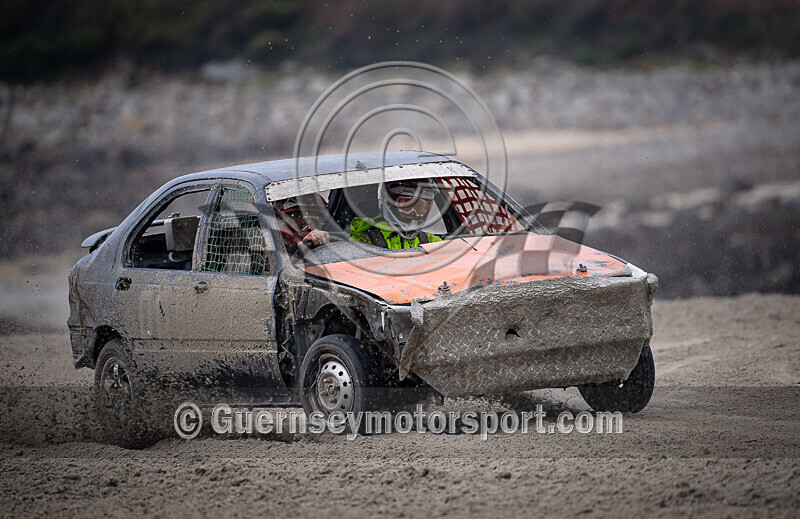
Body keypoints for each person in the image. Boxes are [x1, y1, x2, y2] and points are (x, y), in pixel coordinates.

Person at [349, 179, 443, 249]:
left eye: (420, 208)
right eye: (406, 206)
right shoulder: (363, 242)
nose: (413, 213)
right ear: (389, 204)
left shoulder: (432, 242)